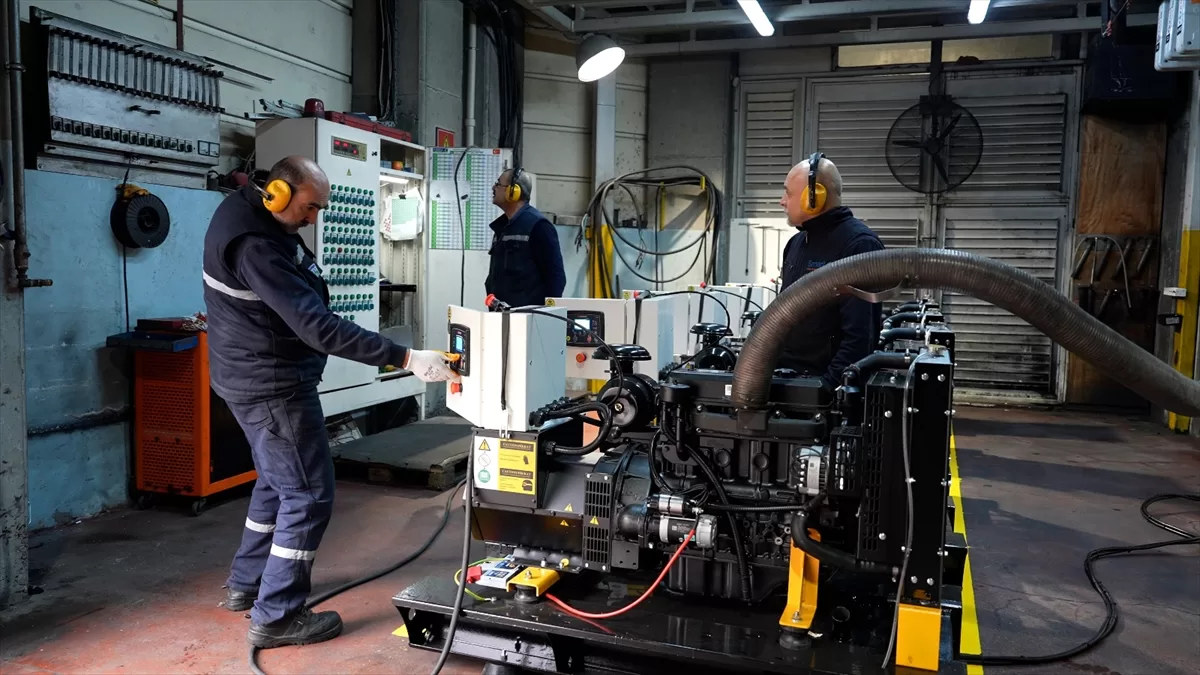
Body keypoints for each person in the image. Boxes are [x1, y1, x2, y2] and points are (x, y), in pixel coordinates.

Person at [201, 155, 459, 649]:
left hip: (247, 375)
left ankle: (247, 583)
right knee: (308, 494)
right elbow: (317, 327)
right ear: (278, 192)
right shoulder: (256, 246)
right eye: (310, 207)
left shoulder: (250, 210)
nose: (314, 219)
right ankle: (277, 616)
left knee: (277, 482)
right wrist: (406, 357)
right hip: (272, 385)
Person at [777, 153, 885, 388]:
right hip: (787, 381)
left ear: (813, 198)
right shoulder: (796, 244)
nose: (782, 201)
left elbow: (860, 338)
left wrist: (827, 390)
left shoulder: (859, 245)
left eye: (788, 193)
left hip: (822, 388)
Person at [485, 167, 567, 307]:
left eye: (498, 184)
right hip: (503, 314)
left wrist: (545, 314)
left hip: (528, 316)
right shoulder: (503, 227)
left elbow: (556, 278)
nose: (494, 188)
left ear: (513, 192)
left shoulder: (538, 226)